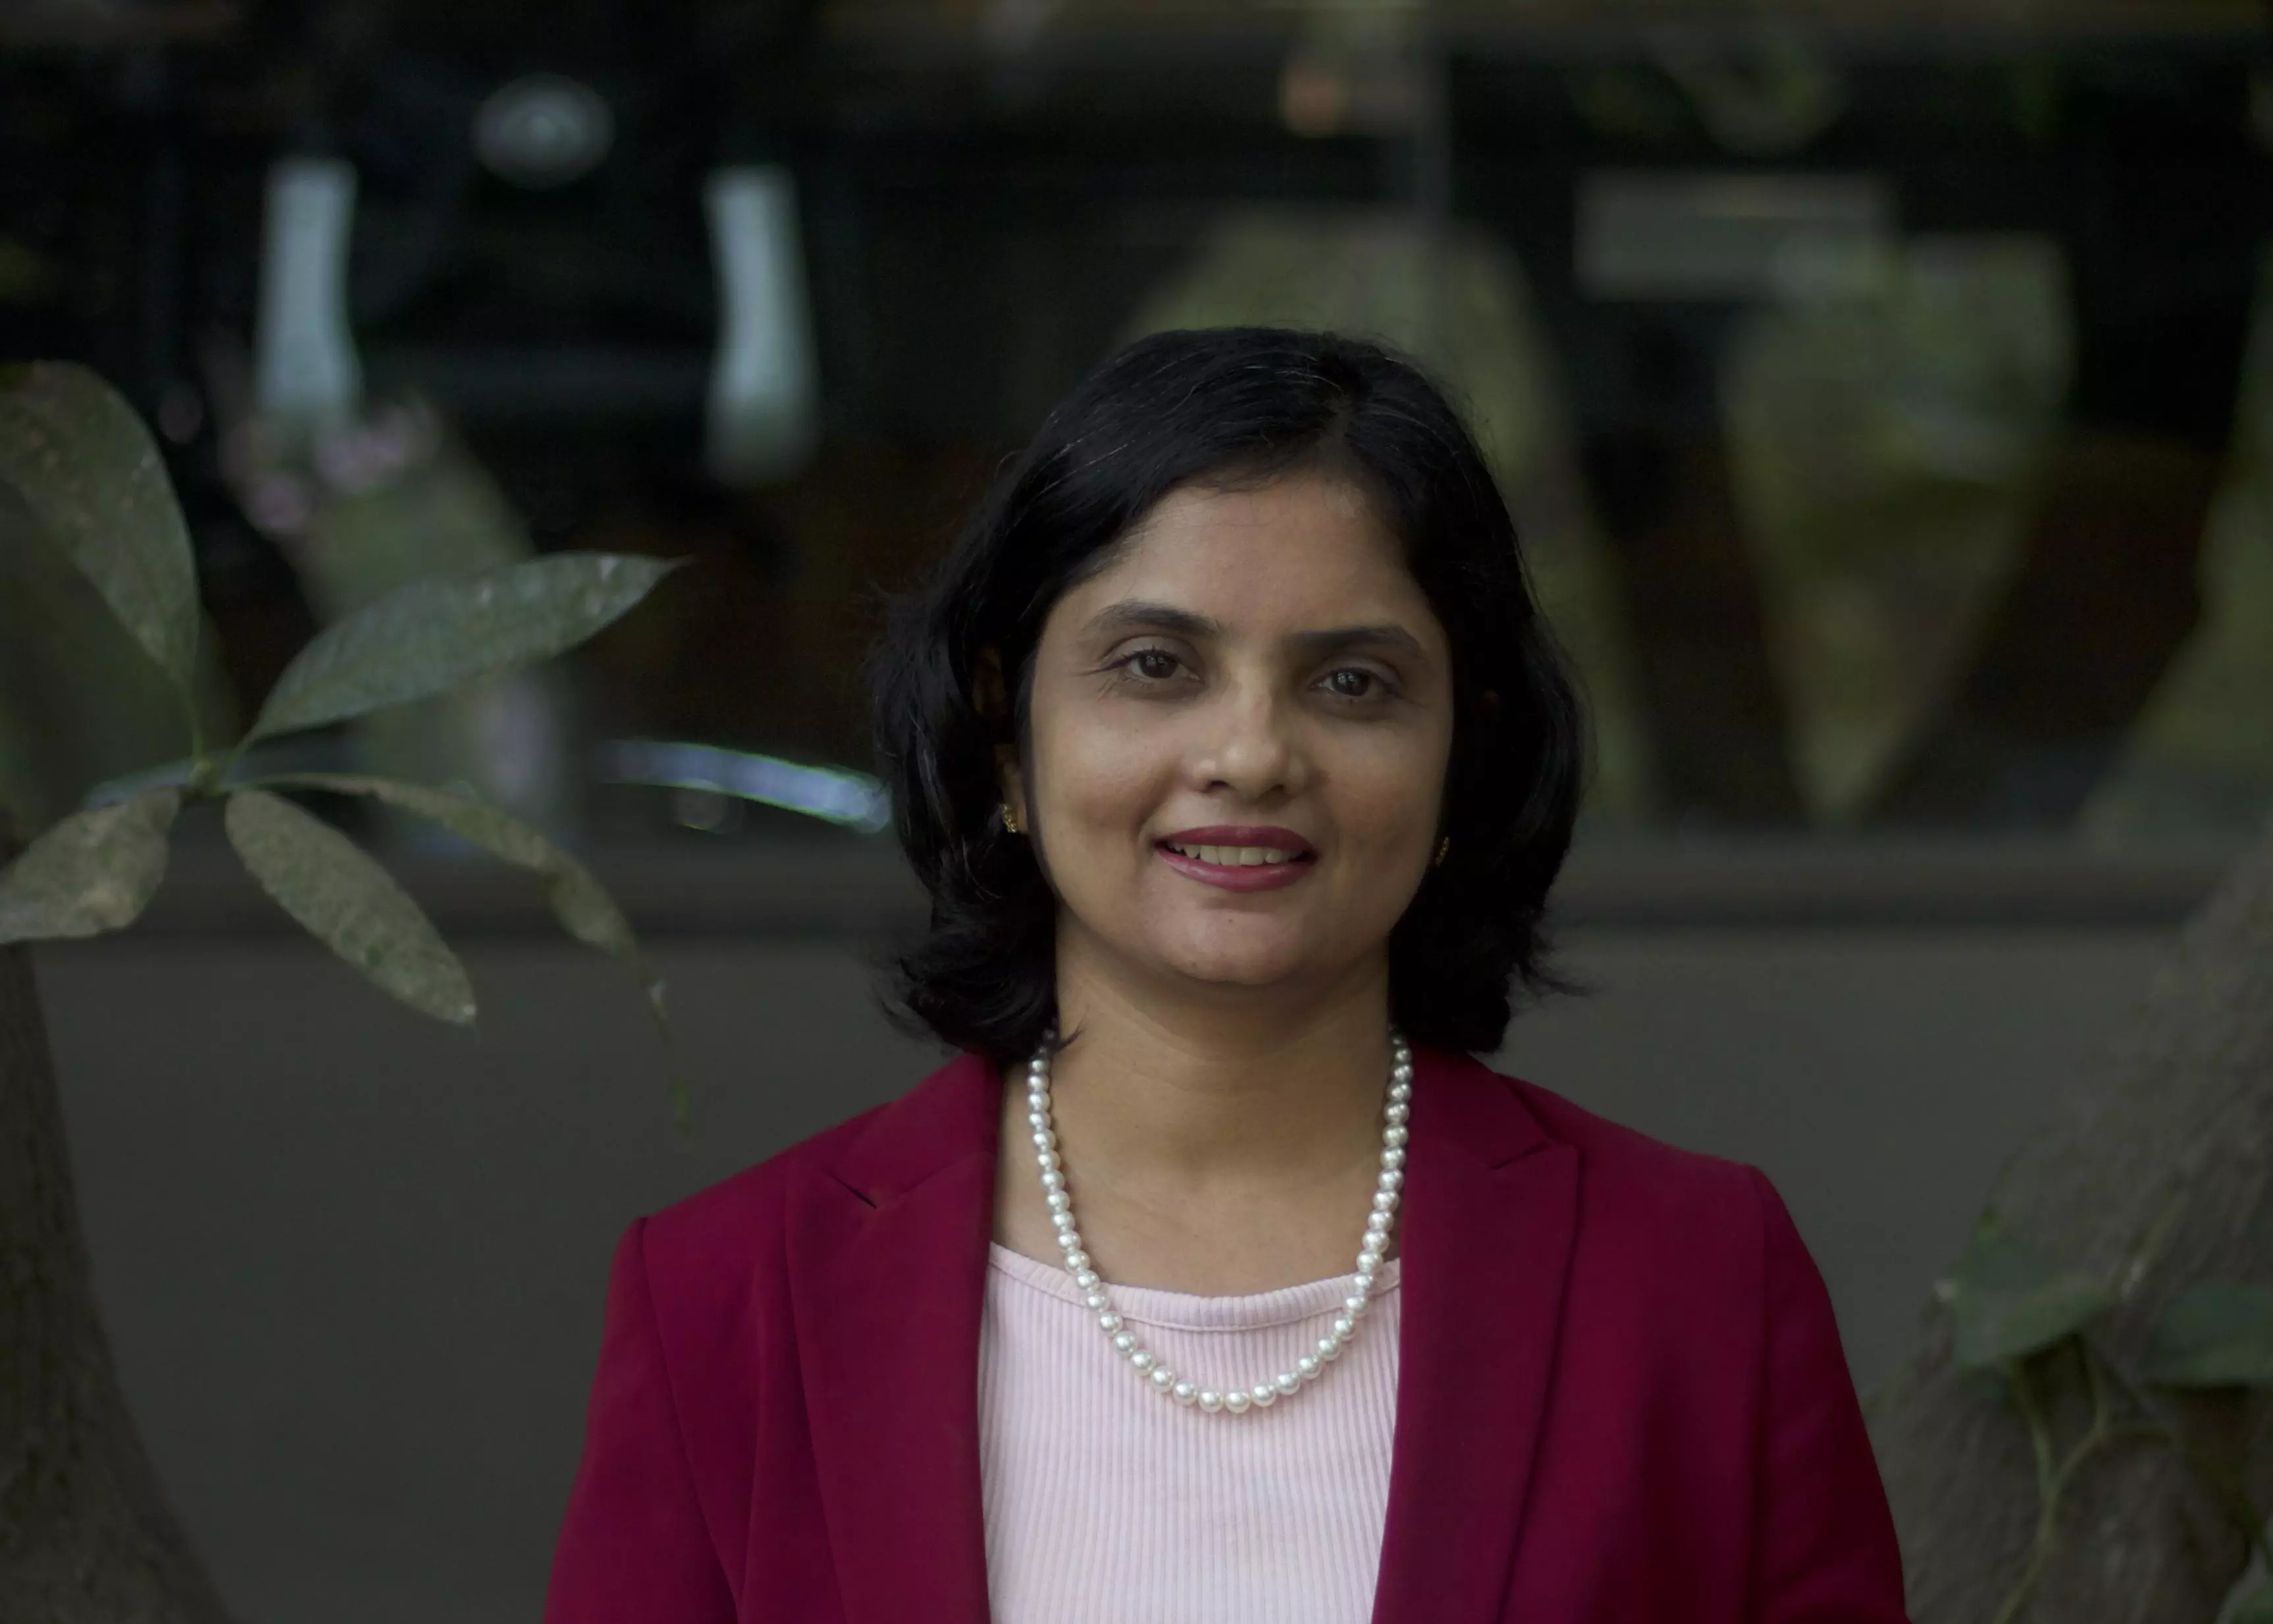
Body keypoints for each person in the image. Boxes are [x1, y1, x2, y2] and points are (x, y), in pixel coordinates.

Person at [541, 327, 1910, 1623]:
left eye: (1352, 683)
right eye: (1156, 665)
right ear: (1005, 734)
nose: (1251, 754)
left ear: (1463, 754)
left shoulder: (1696, 1279)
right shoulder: (730, 1295)